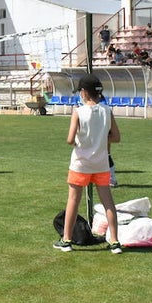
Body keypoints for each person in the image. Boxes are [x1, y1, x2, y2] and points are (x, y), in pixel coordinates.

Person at [53, 73, 123, 254]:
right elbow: (116, 137)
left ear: (84, 92)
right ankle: (115, 241)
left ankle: (67, 239)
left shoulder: (78, 111)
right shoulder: (107, 110)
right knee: (108, 202)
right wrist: (100, 138)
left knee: (73, 200)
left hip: (81, 163)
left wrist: (81, 140)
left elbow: (69, 139)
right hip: (101, 163)